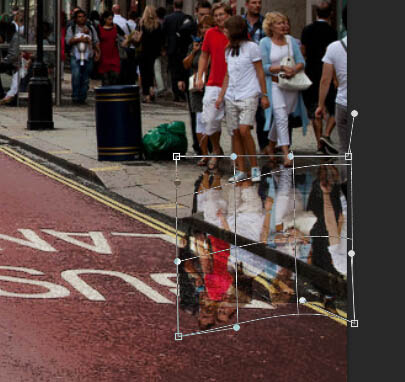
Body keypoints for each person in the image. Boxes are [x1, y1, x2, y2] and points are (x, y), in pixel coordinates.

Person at [215, 15, 269, 183]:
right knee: (235, 132)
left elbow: (260, 72)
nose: (224, 31)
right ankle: (240, 169)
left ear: (235, 30)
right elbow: (228, 75)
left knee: (245, 130)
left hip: (248, 94)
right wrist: (221, 96)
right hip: (231, 95)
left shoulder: (252, 47)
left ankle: (254, 167)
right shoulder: (228, 50)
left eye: (226, 29)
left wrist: (264, 95)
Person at [259, 12, 309, 167]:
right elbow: (264, 67)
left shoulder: (291, 41)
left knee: (283, 117)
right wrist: (280, 67)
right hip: (275, 84)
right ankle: (286, 153)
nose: (284, 26)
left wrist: (294, 69)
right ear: (271, 26)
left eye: (285, 23)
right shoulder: (265, 42)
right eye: (280, 23)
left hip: (290, 85)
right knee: (281, 117)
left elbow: (301, 61)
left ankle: (270, 146)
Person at [196, 2, 233, 169]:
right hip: (214, 82)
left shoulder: (237, 32)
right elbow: (204, 56)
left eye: (221, 14)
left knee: (235, 125)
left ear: (229, 15)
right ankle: (216, 150)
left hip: (235, 84)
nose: (219, 18)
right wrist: (199, 76)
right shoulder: (210, 33)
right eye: (216, 15)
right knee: (210, 120)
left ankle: (237, 158)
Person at [316, 5, 348, 189]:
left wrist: (321, 105)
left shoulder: (334, 48)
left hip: (343, 103)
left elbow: (325, 80)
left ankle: (346, 186)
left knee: (345, 148)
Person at [301, 1, 338, 154]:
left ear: (316, 13)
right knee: (335, 108)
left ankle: (319, 144)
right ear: (331, 14)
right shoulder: (332, 32)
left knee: (315, 108)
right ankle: (327, 134)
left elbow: (303, 50)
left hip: (310, 72)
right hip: (327, 71)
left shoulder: (307, 30)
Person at [183, 15, 215, 165]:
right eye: (202, 27)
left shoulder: (215, 43)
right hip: (196, 86)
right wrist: (194, 52)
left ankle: (215, 150)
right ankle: (204, 154)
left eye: (207, 26)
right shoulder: (195, 44)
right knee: (199, 120)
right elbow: (185, 64)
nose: (204, 30)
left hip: (212, 84)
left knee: (212, 119)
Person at [243, 0, 268, 153]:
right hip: (244, 71)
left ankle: (264, 146)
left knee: (261, 112)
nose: (257, 5)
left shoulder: (265, 23)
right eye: (254, 2)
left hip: (260, 70)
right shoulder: (240, 23)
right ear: (247, 4)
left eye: (259, 2)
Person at [65, 10, 100, 104]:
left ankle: (82, 96)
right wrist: (79, 39)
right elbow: (68, 41)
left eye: (83, 16)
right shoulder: (72, 28)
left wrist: (98, 52)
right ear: (76, 19)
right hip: (75, 56)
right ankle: (76, 96)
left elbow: (96, 41)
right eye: (79, 17)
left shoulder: (90, 28)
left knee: (85, 77)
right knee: (76, 75)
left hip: (88, 56)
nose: (82, 18)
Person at [162, 0, 193, 102]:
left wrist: (164, 47)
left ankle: (176, 92)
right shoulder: (187, 18)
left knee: (173, 70)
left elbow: (164, 34)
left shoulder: (167, 18)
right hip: (184, 48)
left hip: (172, 48)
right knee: (184, 69)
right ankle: (183, 90)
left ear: (174, 5)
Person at [137, 6, 163, 103]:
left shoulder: (142, 24)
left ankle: (147, 95)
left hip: (143, 52)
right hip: (154, 52)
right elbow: (161, 39)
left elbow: (138, 37)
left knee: (144, 74)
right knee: (151, 73)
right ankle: (152, 88)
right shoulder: (158, 25)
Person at [0, 18, 26, 105]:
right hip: (16, 62)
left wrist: (4, 60)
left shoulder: (15, 38)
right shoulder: (13, 37)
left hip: (17, 63)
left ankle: (2, 94)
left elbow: (13, 55)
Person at [98, 11, 121, 86]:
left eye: (112, 19)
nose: (111, 21)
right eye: (109, 19)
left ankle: (113, 95)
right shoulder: (99, 28)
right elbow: (95, 41)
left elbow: (125, 36)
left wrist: (125, 42)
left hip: (114, 55)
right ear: (105, 19)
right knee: (105, 79)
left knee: (116, 76)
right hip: (103, 56)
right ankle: (106, 96)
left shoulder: (115, 27)